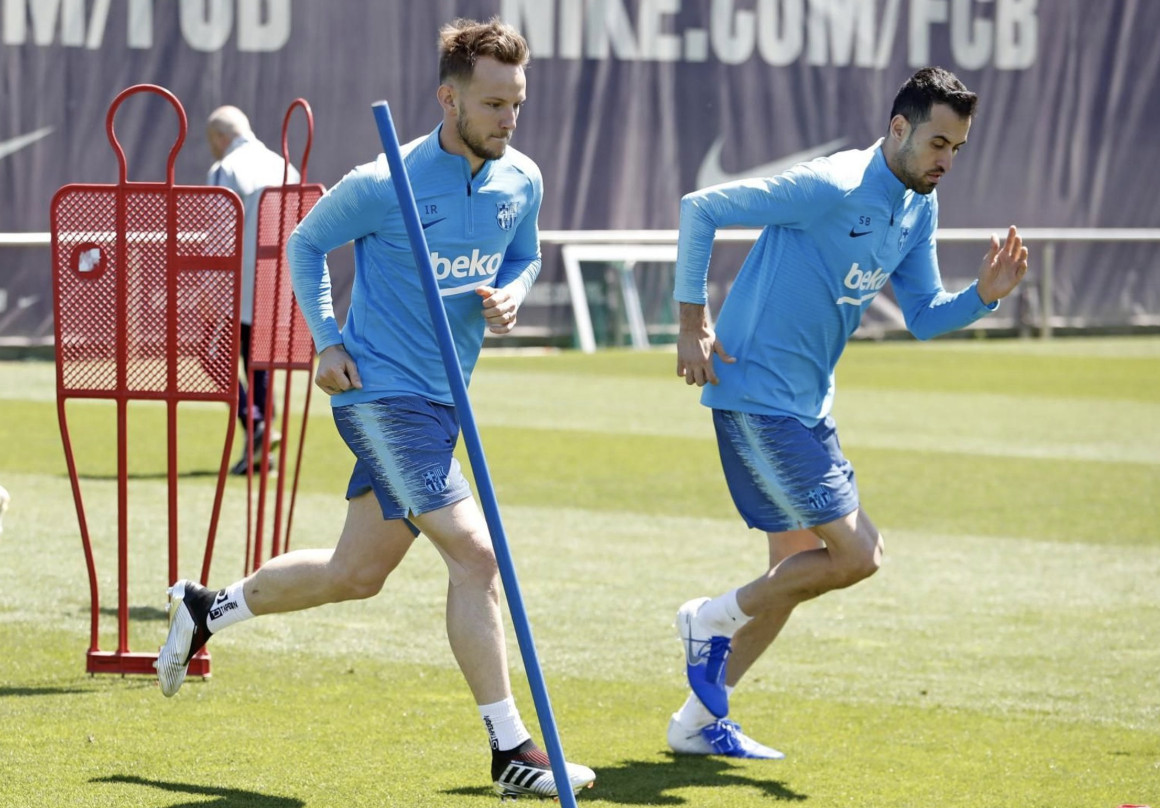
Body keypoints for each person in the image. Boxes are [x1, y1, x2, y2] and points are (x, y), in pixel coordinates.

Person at [159, 18, 595, 800]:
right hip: (379, 393)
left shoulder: (518, 178)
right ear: (448, 98)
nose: (508, 119)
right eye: (493, 104)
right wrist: (325, 339)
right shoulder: (383, 179)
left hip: (443, 398)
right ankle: (510, 749)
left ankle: (205, 608)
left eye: (517, 104)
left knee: (355, 573)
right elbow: (303, 244)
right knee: (477, 556)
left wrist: (515, 294)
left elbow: (526, 253)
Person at [668, 66, 1029, 759]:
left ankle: (694, 724)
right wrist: (692, 320)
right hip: (759, 399)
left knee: (795, 572)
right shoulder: (832, 184)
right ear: (899, 128)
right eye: (938, 144)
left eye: (957, 149)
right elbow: (699, 207)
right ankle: (709, 619)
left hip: (808, 406)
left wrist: (982, 295)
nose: (946, 161)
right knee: (858, 555)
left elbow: (922, 316)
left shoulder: (918, 205)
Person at [206, 105, 300, 474]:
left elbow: (217, 232)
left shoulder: (226, 168)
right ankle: (262, 451)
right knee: (260, 366)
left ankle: (255, 420)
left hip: (236, 284)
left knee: (210, 356)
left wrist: (205, 290)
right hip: (278, 283)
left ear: (219, 137)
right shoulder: (284, 166)